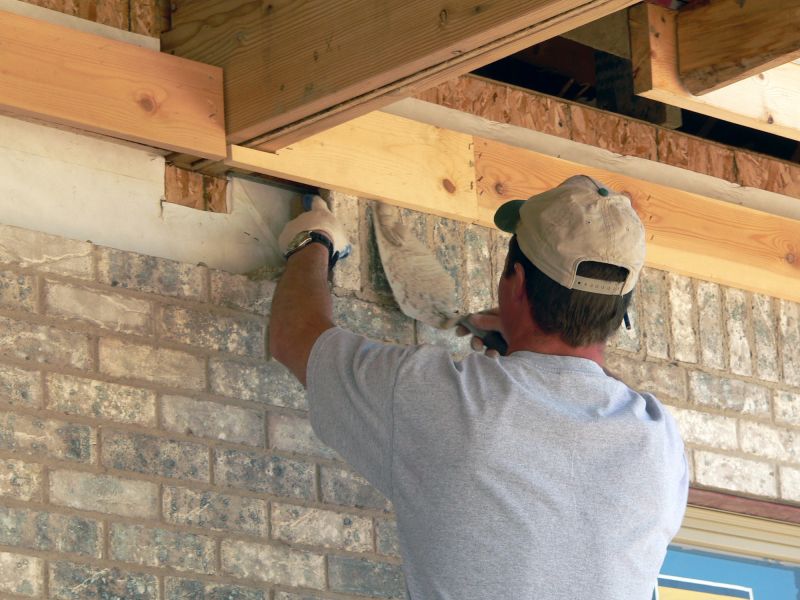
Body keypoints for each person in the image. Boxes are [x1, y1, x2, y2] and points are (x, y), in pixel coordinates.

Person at [269, 175, 688, 600]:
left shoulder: (449, 401)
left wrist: (314, 239)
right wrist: (530, 351)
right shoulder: (660, 443)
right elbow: (594, 391)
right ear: (620, 313)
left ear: (516, 282)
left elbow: (294, 336)